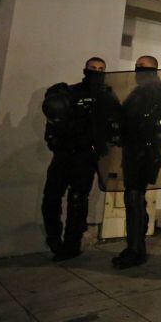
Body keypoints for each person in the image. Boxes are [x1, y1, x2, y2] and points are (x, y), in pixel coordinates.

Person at [41, 57, 120, 261]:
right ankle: (54, 240)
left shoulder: (107, 97)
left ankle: (72, 244)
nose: (96, 72)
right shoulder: (70, 92)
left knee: (77, 201)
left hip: (86, 156)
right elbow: (54, 118)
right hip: (64, 154)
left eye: (101, 69)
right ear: (85, 69)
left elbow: (116, 125)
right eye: (93, 68)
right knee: (51, 199)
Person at [112, 56, 161, 269]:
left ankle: (136, 249)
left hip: (147, 153)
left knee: (134, 197)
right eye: (138, 67)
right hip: (132, 151)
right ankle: (135, 246)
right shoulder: (136, 92)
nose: (140, 70)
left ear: (155, 70)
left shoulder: (160, 91)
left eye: (145, 68)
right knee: (134, 198)